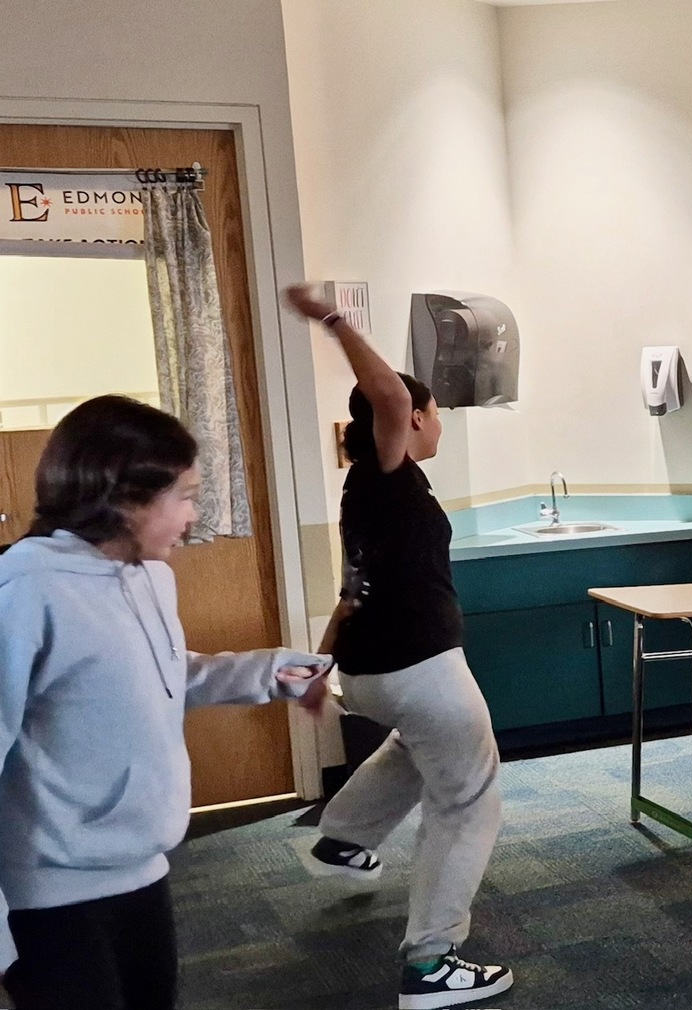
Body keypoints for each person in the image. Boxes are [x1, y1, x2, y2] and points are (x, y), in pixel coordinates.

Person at [0, 395, 330, 1010]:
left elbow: (160, 676)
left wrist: (269, 672)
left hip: (143, 868)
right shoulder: (26, 590)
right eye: (184, 495)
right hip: (49, 890)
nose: (193, 515)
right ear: (122, 497)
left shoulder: (150, 574)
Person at [284, 285, 513, 1010]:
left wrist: (323, 664)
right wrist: (334, 321)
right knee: (469, 802)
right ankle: (432, 962)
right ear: (414, 417)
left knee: (415, 749)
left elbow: (351, 591)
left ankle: (342, 837)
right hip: (421, 671)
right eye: (432, 410)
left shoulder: (365, 491)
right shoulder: (388, 474)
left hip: (372, 671)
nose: (436, 421)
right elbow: (382, 394)